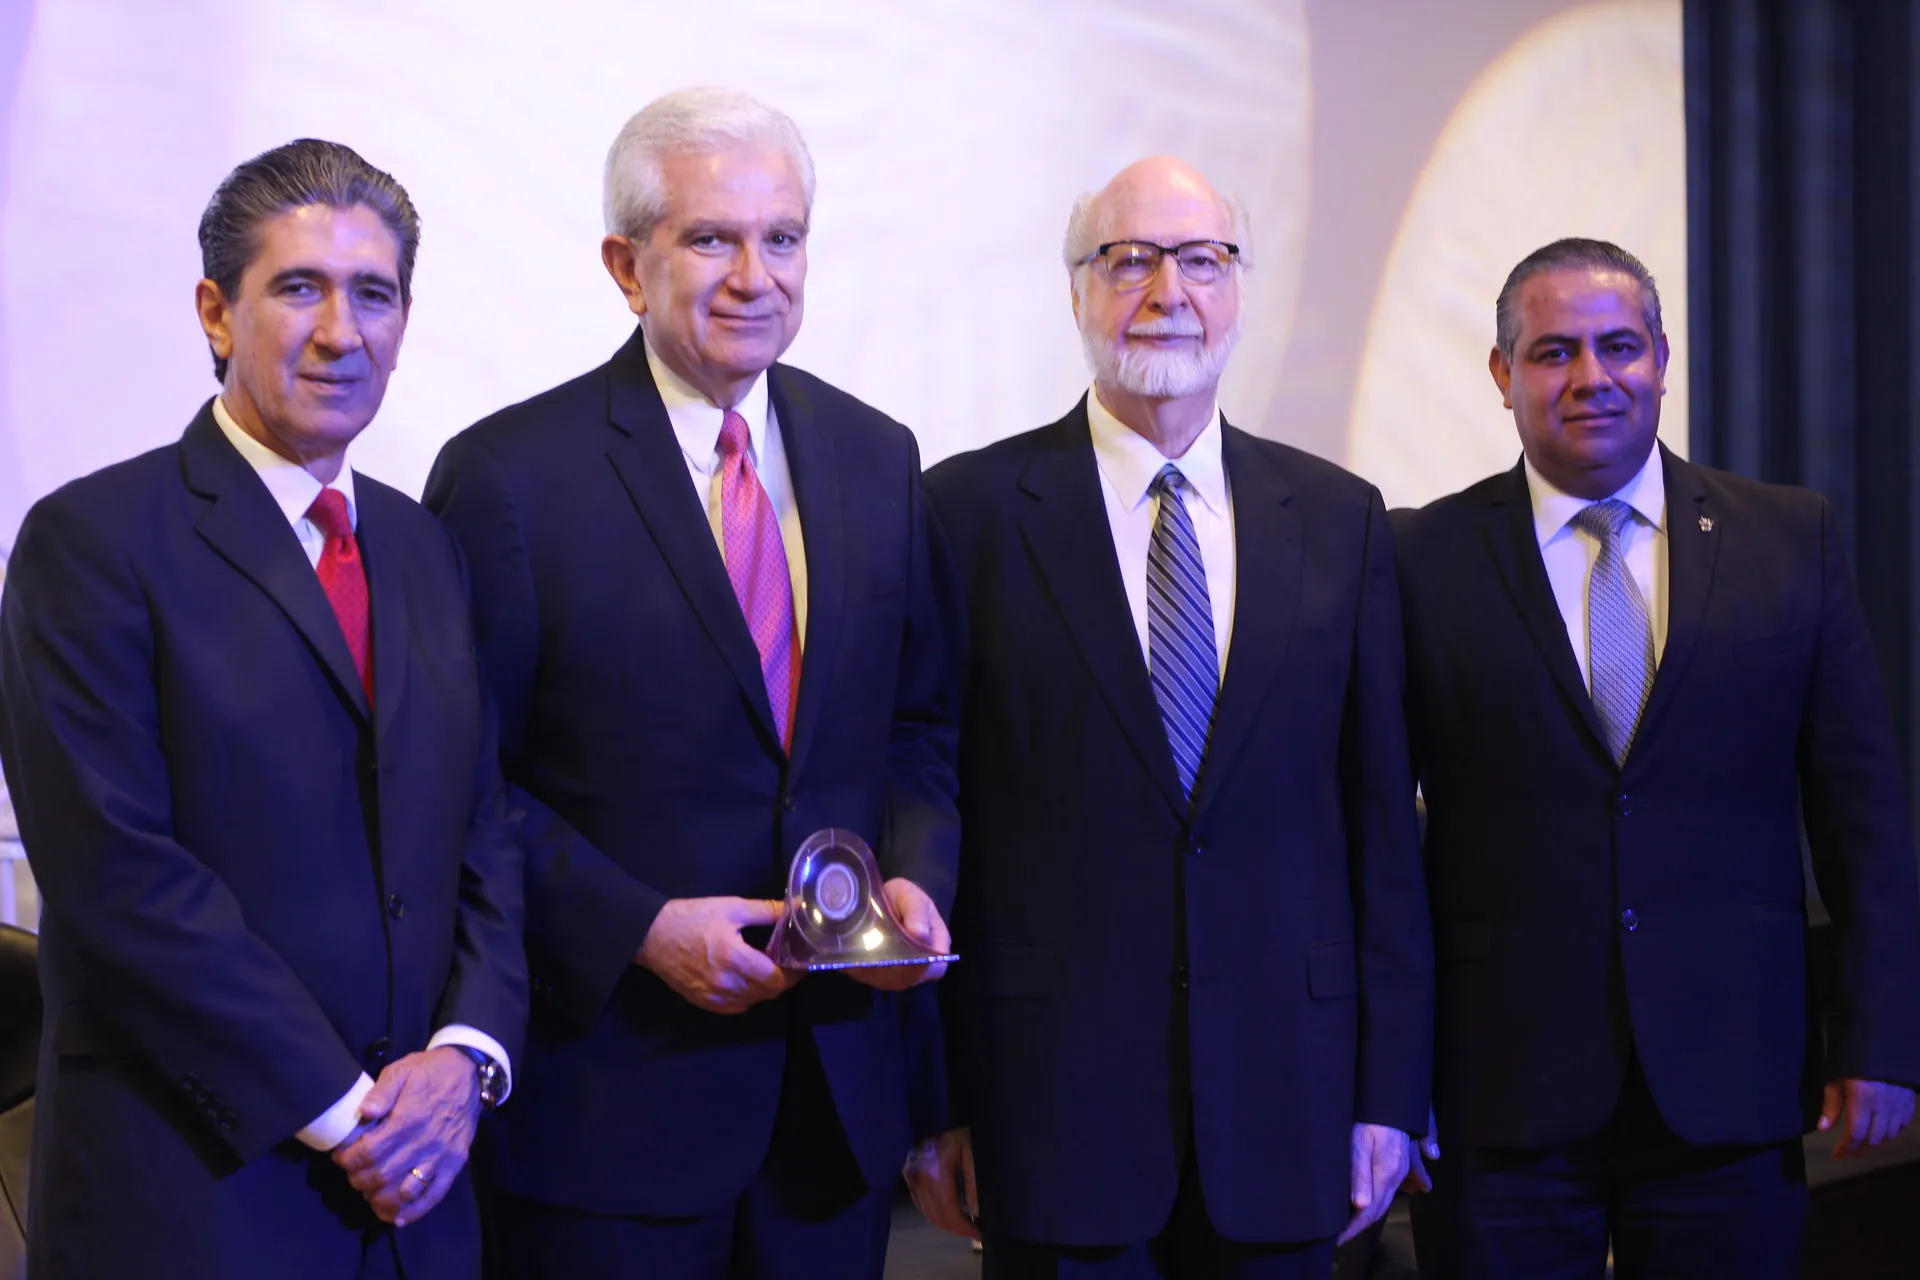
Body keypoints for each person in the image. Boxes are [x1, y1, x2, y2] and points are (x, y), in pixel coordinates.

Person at [423, 87, 959, 1278]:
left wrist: (918, 875)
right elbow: (461, 782)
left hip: (832, 1114)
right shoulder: (508, 478)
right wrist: (638, 927)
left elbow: (916, 726)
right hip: (611, 1110)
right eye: (711, 237)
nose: (753, 275)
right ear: (627, 264)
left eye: (783, 237)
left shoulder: (878, 458)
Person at [0, 139, 525, 1279]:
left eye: (373, 293)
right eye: (300, 287)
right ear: (215, 311)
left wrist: (464, 1058)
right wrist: (351, 1114)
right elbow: (119, 880)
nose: (342, 331)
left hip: (423, 1200)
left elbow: (479, 831)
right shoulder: (91, 543)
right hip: (199, 1195)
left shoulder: (426, 547)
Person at [906, 156, 1432, 1278]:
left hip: (1292, 1104)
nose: (1167, 290)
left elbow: (1382, 829)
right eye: (1129, 259)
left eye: (1201, 260)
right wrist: (932, 1096)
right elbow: (926, 805)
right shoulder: (964, 512)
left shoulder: (1340, 518)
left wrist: (1390, 1092)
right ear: (1078, 289)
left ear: (1238, 285)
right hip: (1048, 1110)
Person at [1394, 237, 1920, 1278]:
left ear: (1664, 358)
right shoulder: (1418, 559)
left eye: (1618, 346)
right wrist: (1384, 1078)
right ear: (1503, 376)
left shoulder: (1789, 538)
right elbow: (1371, 838)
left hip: (1731, 1084)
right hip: (1499, 1096)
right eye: (1553, 353)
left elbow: (1864, 817)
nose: (1591, 377)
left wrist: (1882, 1037)